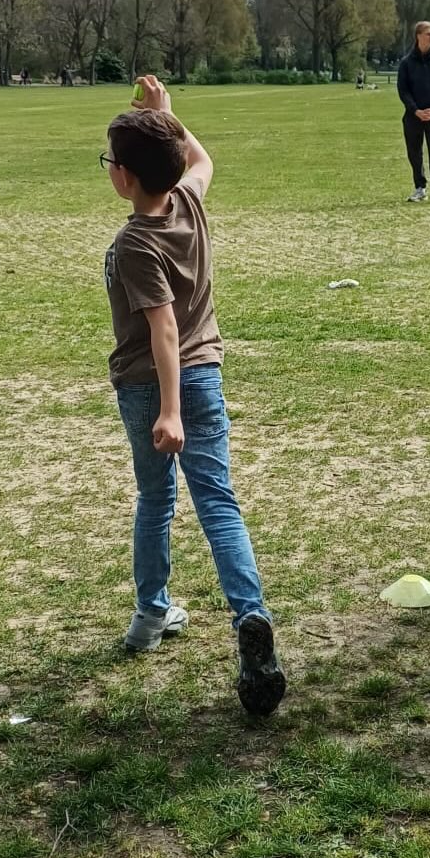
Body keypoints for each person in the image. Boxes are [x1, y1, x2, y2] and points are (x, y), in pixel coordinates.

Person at [102, 74, 286, 717]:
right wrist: (169, 117)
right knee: (218, 504)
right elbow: (201, 160)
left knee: (155, 499)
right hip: (206, 375)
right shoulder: (188, 201)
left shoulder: (134, 242)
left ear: (124, 176)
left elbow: (162, 330)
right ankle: (249, 614)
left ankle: (150, 614)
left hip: (157, 388)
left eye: (111, 162)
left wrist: (170, 411)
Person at [397, 20, 430, 204]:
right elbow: (403, 90)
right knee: (415, 153)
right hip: (413, 117)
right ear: (418, 36)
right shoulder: (406, 63)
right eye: (427, 33)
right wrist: (415, 110)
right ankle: (420, 188)